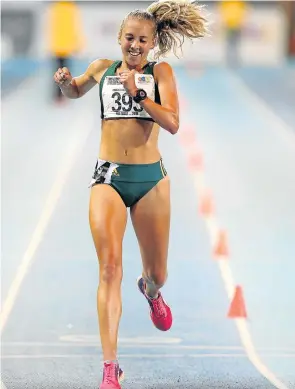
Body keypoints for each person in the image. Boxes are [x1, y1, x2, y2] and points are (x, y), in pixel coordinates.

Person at [53, 1, 207, 388]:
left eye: (142, 40)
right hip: (108, 176)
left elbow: (172, 123)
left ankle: (151, 290)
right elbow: (75, 93)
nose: (134, 46)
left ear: (153, 44)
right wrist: (65, 84)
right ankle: (110, 367)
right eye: (129, 38)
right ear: (119, 39)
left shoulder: (161, 72)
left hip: (151, 181)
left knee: (158, 272)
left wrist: (140, 96)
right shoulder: (102, 69)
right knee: (108, 268)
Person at [47, 0, 84, 103]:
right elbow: (76, 28)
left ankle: (58, 96)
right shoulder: (71, 8)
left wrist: (51, 45)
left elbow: (51, 28)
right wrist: (78, 45)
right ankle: (62, 95)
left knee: (58, 72)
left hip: (58, 46)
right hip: (67, 46)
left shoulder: (55, 7)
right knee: (65, 73)